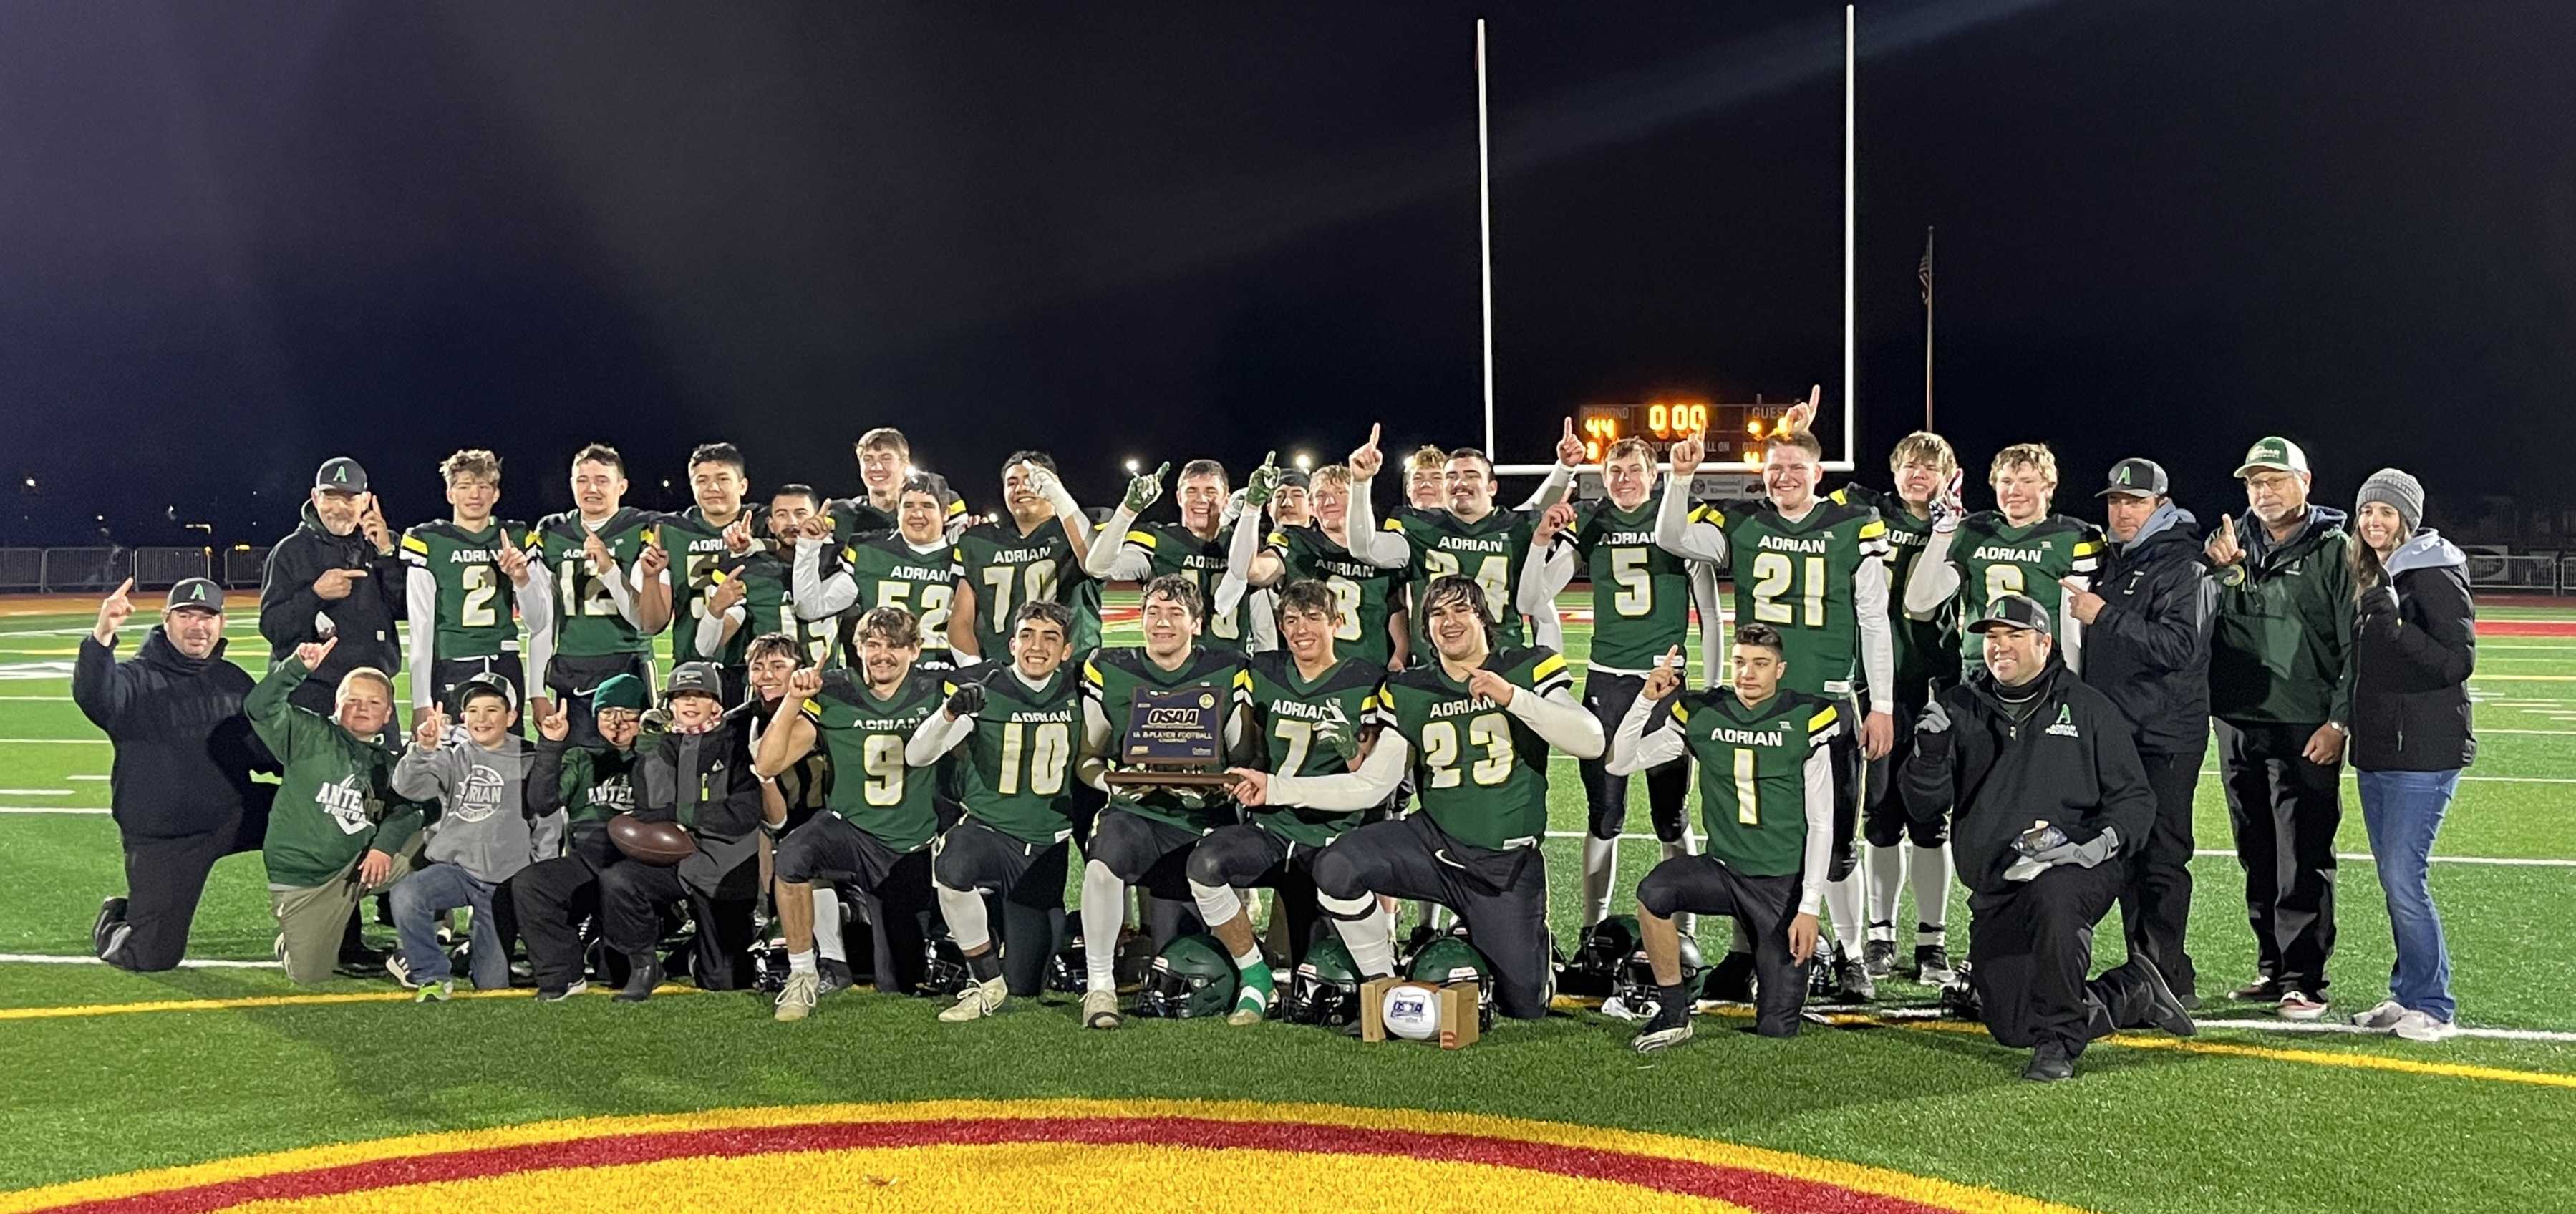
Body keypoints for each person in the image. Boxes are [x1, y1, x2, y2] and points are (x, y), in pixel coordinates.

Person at [1229, 574, 1604, 1023]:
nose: (1449, 621)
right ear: (1425, 629)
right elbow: (1371, 784)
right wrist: (1275, 787)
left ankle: (1516, 949)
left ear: (1482, 616)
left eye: (1460, 609)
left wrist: (1512, 697)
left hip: (1503, 863)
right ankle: (1381, 980)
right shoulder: (1410, 689)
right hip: (1435, 846)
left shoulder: (1525, 667)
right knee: (1338, 866)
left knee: (1523, 1006)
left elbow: (1591, 741)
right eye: (1437, 614)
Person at [1900, 594, 2193, 1081]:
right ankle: (2130, 992)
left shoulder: (2089, 707)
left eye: (2014, 636)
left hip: (2076, 868)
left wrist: (2093, 848)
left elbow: (2136, 800)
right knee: (2013, 1025)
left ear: (2044, 641)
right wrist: (1929, 757)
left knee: (2056, 898)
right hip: (1999, 883)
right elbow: (1925, 808)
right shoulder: (1957, 708)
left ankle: (2059, 1043)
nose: (2000, 648)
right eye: (1992, 638)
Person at [1656, 411, 1894, 1003]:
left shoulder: (1851, 524)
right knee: (1746, 832)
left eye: (1796, 467)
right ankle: (1744, 949)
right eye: (1775, 468)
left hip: (1828, 702)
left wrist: (1882, 702)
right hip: (1755, 707)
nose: (1784, 476)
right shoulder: (1746, 522)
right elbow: (1673, 537)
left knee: (1837, 839)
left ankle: (1850, 952)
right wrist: (1680, 479)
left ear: (1820, 472)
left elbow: (1872, 619)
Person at [1609, 626, 1836, 1047]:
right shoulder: (1705, 712)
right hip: (1725, 871)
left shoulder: (1805, 717)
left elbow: (1823, 822)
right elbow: (1620, 762)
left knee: (1776, 1028)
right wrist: (1646, 701)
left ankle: (1793, 966)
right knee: (1655, 892)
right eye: (1740, 662)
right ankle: (1674, 1012)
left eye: (1761, 664)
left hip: (1780, 885)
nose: (1748, 673)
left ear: (1780, 670)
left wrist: (1808, 907)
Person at [2204, 436, 2355, 1019]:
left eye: (2275, 481)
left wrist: (2339, 720)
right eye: (2254, 483)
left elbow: (2353, 643)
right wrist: (2217, 574)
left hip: (2305, 723)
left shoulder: (2335, 550)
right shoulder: (2229, 543)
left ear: (2305, 483)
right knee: (2256, 850)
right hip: (2240, 720)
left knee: (2304, 852)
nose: (2263, 493)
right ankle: (2271, 965)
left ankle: (2305, 978)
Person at [1190, 578, 1383, 1024]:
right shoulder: (1266, 672)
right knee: (1205, 865)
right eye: (1291, 620)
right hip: (1274, 830)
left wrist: (1346, 744)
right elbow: (1251, 746)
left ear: (1338, 623)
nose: (1301, 629)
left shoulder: (1364, 681)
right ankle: (1255, 975)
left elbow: (1371, 775)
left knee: (1317, 977)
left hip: (1332, 837)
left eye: (1313, 618)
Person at [2064, 458, 2214, 1006]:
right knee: (2128, 853)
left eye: (2134, 502)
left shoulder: (2183, 565)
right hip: (2124, 734)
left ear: (2161, 505)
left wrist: (2104, 615)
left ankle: (2167, 978)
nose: (2122, 511)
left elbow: (2180, 647)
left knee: (2162, 858)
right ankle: (2150, 970)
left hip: (2163, 735)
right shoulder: (2119, 560)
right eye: (2115, 501)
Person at [1068, 575, 1249, 1029]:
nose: (1162, 623)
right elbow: (1089, 759)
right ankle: (1100, 986)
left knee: (1183, 961)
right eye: (1153, 613)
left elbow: (1246, 760)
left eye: (1174, 614)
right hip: (1138, 814)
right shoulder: (1108, 667)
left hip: (1203, 821)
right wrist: (1113, 786)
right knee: (1100, 864)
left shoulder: (1230, 668)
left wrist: (1212, 784)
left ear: (1197, 623)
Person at [78, 577, 279, 972]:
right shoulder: (135, 679)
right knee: (150, 958)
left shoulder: (233, 680)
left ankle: (339, 932)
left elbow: (260, 751)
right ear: (166, 620)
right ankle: (114, 918)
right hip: (168, 837)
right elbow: (95, 696)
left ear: (221, 624)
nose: (197, 626)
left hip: (231, 817)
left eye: (208, 617)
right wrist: (102, 635)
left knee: (320, 814)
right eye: (186, 615)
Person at [757, 613, 946, 1020]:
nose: (883, 655)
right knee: (792, 856)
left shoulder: (934, 690)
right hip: (850, 829)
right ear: (858, 649)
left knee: (899, 981)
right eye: (873, 645)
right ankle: (803, 975)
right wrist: (793, 699)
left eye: (894, 645)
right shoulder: (837, 691)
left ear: (915, 650)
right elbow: (768, 763)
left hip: (907, 844)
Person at [2345, 469, 2475, 1043]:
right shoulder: (2380, 570)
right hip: (2382, 747)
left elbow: (2457, 662)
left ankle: (2434, 1004)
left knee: (2405, 877)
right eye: (2367, 512)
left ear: (2408, 518)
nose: (2374, 522)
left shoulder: (2433, 570)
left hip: (2423, 750)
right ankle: (2408, 993)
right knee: (2393, 878)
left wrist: (2397, 629)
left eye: (2386, 512)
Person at [1831, 432, 1964, 986]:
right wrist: (1791, 433)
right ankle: (1881, 934)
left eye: (1930, 468)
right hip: (1873, 687)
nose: (1918, 475)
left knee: (1931, 823)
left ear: (1947, 476)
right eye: (1910, 465)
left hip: (1933, 685)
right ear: (1895, 470)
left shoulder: (1962, 529)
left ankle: (1931, 939)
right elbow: (1804, 495)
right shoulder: (1865, 510)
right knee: (1881, 819)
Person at [911, 600, 1084, 1021]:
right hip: (990, 831)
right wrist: (950, 712)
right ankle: (985, 980)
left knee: (1027, 985)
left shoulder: (1081, 689)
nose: (1036, 646)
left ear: (1066, 650)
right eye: (1027, 635)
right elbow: (918, 755)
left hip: (1047, 845)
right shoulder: (987, 688)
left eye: (1049, 638)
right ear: (1012, 644)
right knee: (952, 867)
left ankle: (1010, 969)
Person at [1564, 437, 1697, 929]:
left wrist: (1709, 673)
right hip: (1607, 682)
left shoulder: (1676, 516)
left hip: (1664, 684)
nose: (1624, 480)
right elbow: (1541, 586)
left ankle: (1685, 931)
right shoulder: (1592, 522)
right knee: (1604, 814)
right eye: (1615, 471)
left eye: (1633, 470)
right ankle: (1592, 927)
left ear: (1654, 474)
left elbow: (1705, 595)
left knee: (1672, 815)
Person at [244, 636, 429, 986]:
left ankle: (418, 948)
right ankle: (295, 940)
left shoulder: (389, 764)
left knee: (434, 845)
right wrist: (297, 668)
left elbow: (418, 807)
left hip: (357, 874)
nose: (363, 708)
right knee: (310, 975)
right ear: (336, 704)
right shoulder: (308, 733)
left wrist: (383, 847)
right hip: (306, 881)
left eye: (374, 702)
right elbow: (260, 707)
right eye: (353, 700)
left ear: (388, 714)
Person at [600, 661, 767, 1001]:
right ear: (670, 704)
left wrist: (684, 817)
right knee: (619, 880)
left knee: (724, 980)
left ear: (715, 702)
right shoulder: (657, 746)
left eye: (699, 695)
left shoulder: (737, 743)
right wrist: (648, 752)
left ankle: (688, 955)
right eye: (681, 696)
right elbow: (648, 811)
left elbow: (745, 813)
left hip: (725, 863)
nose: (690, 703)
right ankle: (645, 965)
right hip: (674, 857)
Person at [388, 675, 558, 999]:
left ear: (511, 716)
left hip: (506, 881)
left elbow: (546, 821)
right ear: (463, 717)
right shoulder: (454, 755)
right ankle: (430, 974)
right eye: (473, 710)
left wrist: (539, 877)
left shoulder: (532, 759)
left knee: (491, 983)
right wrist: (422, 750)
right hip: (458, 871)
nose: (481, 719)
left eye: (492, 710)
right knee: (409, 893)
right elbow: (408, 787)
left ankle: (466, 955)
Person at [510, 674, 647, 1001]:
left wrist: (652, 745)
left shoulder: (659, 757)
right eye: (607, 713)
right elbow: (542, 803)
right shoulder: (582, 757)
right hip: (589, 860)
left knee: (615, 972)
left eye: (627, 713)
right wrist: (552, 744)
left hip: (641, 870)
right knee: (532, 883)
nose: (617, 723)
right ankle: (562, 974)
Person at [528, 444, 672, 747]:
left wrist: (608, 569)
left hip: (626, 665)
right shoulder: (553, 531)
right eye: (582, 480)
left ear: (622, 486)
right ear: (571, 484)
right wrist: (537, 692)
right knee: (573, 769)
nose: (591, 488)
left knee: (638, 766)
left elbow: (644, 621)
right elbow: (541, 623)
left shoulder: (641, 527)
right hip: (571, 667)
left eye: (602, 480)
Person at [400, 450, 548, 721]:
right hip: (453, 664)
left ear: (496, 494)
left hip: (505, 662)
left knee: (507, 757)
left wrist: (521, 579)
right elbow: (421, 626)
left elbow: (538, 623)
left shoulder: (515, 537)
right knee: (451, 758)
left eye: (483, 486)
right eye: (465, 486)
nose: (475, 495)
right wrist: (421, 701)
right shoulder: (429, 541)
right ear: (450, 494)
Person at [259, 457, 409, 722]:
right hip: (310, 696)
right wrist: (315, 595)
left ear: (366, 501)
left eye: (349, 498)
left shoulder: (384, 544)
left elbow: (407, 609)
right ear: (315, 498)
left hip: (371, 692)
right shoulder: (290, 552)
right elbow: (273, 627)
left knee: (384, 764)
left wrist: (387, 554)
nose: (339, 507)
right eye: (330, 497)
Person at [1086, 457, 1272, 651]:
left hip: (1228, 669)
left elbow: (1261, 617)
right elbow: (1099, 567)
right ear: (1178, 497)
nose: (1201, 499)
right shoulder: (1159, 540)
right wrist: (1128, 510)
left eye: (1210, 491)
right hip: (1169, 668)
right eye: (1191, 491)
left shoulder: (1240, 542)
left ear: (1226, 499)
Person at [1237, 462, 1408, 673]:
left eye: (1340, 492)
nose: (1329, 501)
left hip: (1368, 672)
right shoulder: (1298, 543)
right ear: (1311, 506)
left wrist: (1399, 656)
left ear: (1357, 498)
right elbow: (1252, 572)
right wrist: (1252, 508)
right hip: (1309, 675)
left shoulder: (1383, 548)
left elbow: (1396, 610)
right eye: (1321, 494)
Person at [796, 474, 960, 672]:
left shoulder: (965, 558)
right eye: (908, 506)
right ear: (898, 511)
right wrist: (808, 547)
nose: (917, 514)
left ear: (945, 513)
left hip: (943, 677)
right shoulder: (870, 553)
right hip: (881, 680)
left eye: (927, 506)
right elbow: (811, 608)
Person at [949, 451, 1100, 663]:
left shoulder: (1083, 527)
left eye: (1031, 479)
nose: (1021, 488)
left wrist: (1059, 497)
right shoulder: (978, 542)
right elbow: (960, 620)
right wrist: (973, 667)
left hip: (1070, 671)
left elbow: (1096, 563)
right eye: (1012, 483)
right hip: (1002, 672)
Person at [657, 442, 762, 697]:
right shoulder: (671, 530)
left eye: (723, 479)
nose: (712, 488)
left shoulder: (765, 523)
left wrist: (760, 543)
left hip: (757, 668)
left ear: (743, 485)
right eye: (702, 480)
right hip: (692, 665)